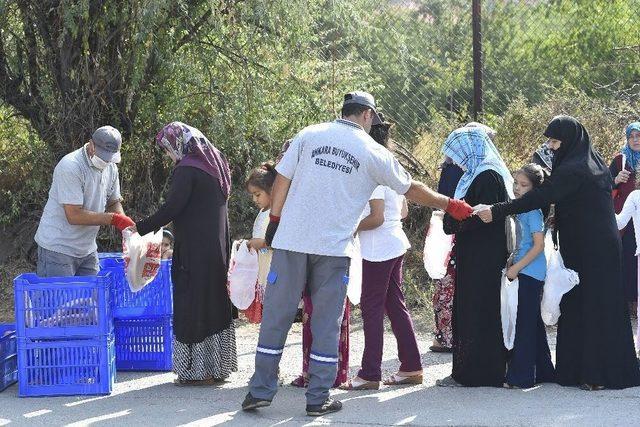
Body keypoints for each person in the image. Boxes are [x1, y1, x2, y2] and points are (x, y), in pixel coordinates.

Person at [242, 91, 473, 416]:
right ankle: (317, 397)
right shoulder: (372, 151)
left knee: (277, 317)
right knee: (326, 322)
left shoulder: (310, 135)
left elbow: (282, 177)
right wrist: (450, 204)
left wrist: (276, 220)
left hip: (292, 242)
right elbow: (412, 190)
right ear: (367, 115)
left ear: (344, 111)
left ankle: (259, 391)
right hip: (332, 249)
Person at [476, 115, 640, 390]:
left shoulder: (573, 168)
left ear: (569, 141)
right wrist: (560, 218)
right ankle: (585, 370)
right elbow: (580, 200)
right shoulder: (593, 161)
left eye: (554, 141)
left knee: (590, 304)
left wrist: (496, 210)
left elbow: (541, 196)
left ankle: (594, 374)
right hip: (593, 244)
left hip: (590, 247)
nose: (550, 147)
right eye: (549, 141)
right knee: (588, 302)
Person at [136, 122, 237, 386]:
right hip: (217, 250)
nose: (169, 155)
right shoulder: (215, 164)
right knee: (213, 302)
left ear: (177, 143)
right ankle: (217, 368)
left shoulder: (187, 168)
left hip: (194, 250)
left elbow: (172, 208)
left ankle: (195, 371)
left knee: (191, 303)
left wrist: (140, 228)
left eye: (168, 149)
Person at [341, 115, 422, 390]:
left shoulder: (372, 169)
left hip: (378, 248)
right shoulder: (391, 166)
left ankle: (369, 374)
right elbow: (403, 211)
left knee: (372, 308)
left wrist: (349, 227)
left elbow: (375, 218)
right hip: (395, 242)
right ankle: (411, 366)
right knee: (394, 305)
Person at [436, 126, 513, 388]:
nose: (455, 160)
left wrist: (451, 221)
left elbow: (480, 217)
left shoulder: (487, 176)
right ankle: (466, 370)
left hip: (485, 255)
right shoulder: (473, 175)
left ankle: (478, 374)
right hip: (474, 252)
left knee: (479, 308)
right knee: (469, 307)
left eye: (457, 153)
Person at [34, 125, 134, 277]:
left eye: (110, 157)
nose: (106, 161)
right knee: (62, 300)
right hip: (58, 248)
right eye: (102, 156)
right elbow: (73, 215)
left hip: (87, 249)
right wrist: (114, 219)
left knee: (91, 299)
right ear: (91, 144)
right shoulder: (71, 166)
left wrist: (126, 223)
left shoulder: (111, 167)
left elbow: (113, 202)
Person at [504, 163, 555, 389]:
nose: (517, 188)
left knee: (524, 324)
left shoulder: (532, 210)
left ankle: (521, 377)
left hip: (531, 271)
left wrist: (517, 268)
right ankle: (545, 372)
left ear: (535, 189)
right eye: (516, 183)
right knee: (532, 321)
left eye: (523, 185)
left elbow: (538, 245)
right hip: (526, 268)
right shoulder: (524, 208)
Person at [610, 122, 640, 317]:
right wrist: (615, 180)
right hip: (625, 220)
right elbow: (603, 186)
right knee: (628, 258)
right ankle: (630, 301)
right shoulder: (620, 160)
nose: (636, 140)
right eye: (632, 136)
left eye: (639, 136)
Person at [243, 163, 278, 324]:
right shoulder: (262, 211)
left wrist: (261, 243)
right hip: (263, 273)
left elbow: (278, 241)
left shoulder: (276, 213)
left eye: (257, 194)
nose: (254, 199)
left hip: (275, 273)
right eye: (252, 195)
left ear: (271, 190)